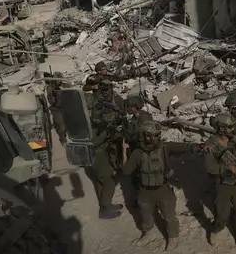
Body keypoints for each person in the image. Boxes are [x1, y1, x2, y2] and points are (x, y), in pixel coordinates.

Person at [122, 120, 205, 250]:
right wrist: (124, 152)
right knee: (145, 214)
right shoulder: (138, 153)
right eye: (149, 135)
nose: (153, 138)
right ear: (143, 136)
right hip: (145, 191)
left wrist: (200, 147)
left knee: (169, 216)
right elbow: (126, 170)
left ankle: (173, 237)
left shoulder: (165, 147)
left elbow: (184, 147)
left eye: (156, 135)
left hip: (163, 190)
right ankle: (148, 233)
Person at [205, 113, 236, 251]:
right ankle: (215, 230)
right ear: (221, 128)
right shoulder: (211, 144)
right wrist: (228, 168)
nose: (233, 129)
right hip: (222, 184)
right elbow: (210, 168)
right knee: (222, 213)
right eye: (230, 127)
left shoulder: (235, 140)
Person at [83, 61, 124, 219]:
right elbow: (86, 87)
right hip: (98, 149)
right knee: (107, 180)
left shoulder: (97, 107)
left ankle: (105, 203)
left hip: (99, 146)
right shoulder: (96, 101)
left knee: (101, 179)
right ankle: (105, 208)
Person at [45, 72, 66, 146]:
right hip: (56, 109)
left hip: (65, 107)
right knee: (62, 126)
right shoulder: (50, 88)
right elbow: (51, 102)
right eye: (58, 80)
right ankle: (63, 141)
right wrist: (54, 92)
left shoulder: (63, 85)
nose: (59, 81)